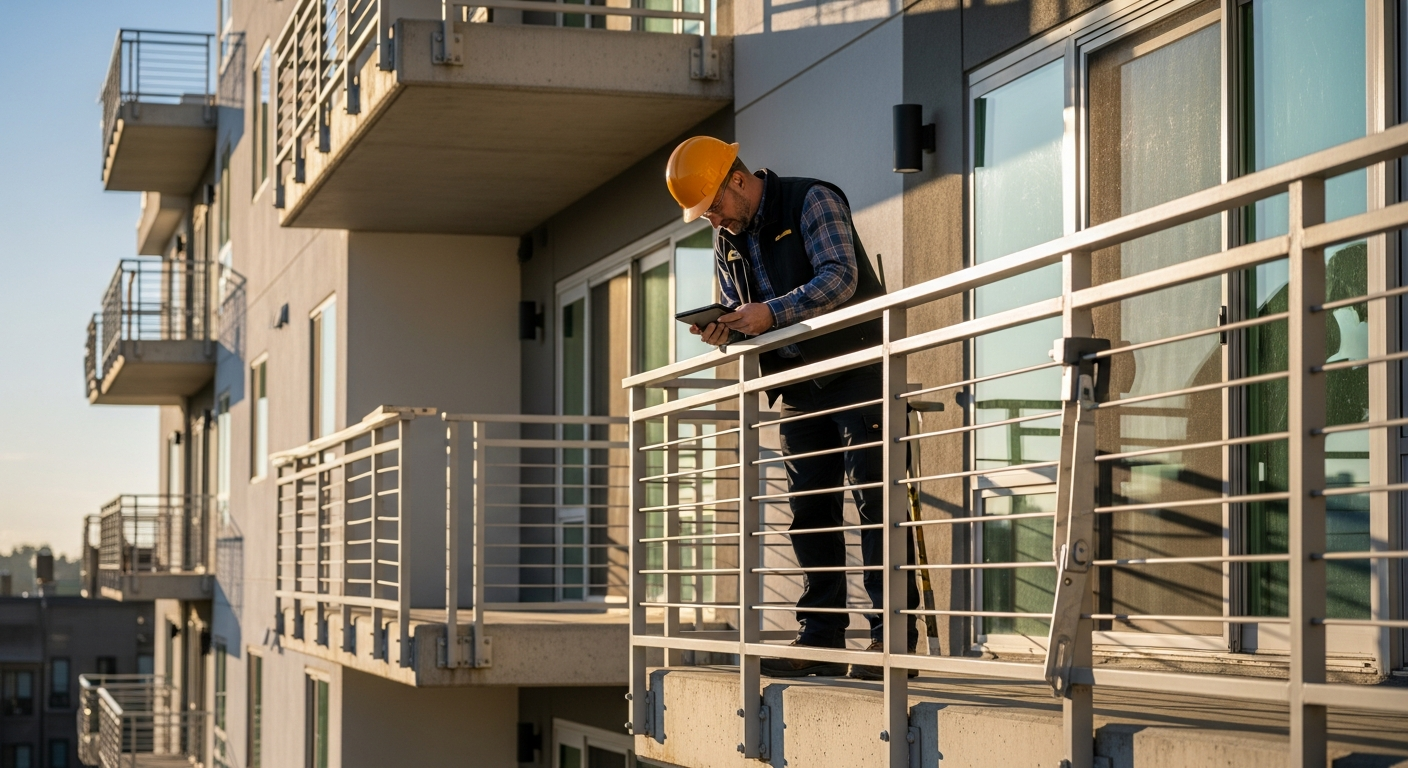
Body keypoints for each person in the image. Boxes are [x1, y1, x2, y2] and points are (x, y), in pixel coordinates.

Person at [664, 136, 918, 679]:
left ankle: (892, 645)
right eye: (703, 213)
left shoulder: (811, 200)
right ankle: (820, 642)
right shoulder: (727, 240)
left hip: (859, 373)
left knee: (876, 508)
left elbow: (840, 277)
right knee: (809, 517)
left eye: (713, 205)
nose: (711, 219)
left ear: (737, 179)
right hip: (798, 388)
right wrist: (726, 327)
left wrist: (771, 315)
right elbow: (745, 312)